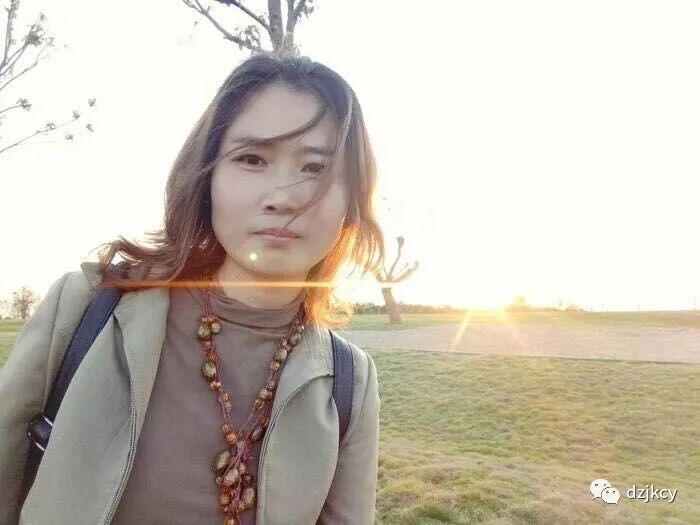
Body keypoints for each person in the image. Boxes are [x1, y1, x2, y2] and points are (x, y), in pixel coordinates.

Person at [0, 53, 385, 525]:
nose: (283, 197)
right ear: (207, 177)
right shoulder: (85, 308)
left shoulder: (350, 381)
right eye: (252, 159)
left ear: (353, 199)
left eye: (314, 168)